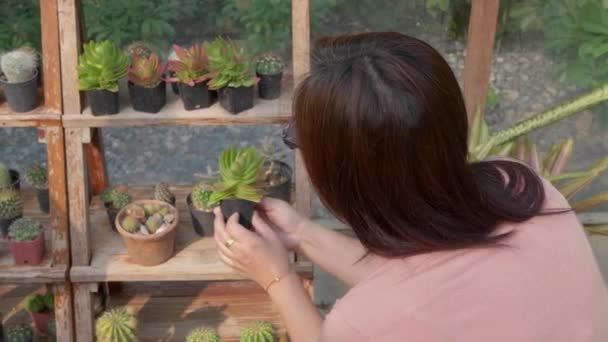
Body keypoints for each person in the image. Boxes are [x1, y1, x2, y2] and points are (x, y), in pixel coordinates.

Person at [213, 32, 608, 342]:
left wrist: (276, 279)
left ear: (346, 178)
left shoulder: (369, 321)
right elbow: (422, 284)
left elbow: (402, 304)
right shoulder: (523, 186)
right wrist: (302, 234)